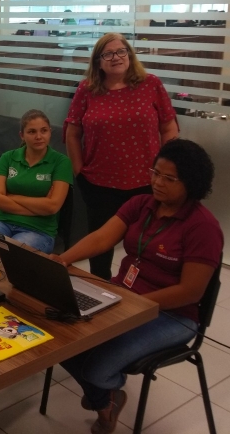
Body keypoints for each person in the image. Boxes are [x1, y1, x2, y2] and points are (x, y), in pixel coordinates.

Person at [51, 139, 223, 434]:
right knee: (56, 339)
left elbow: (191, 291)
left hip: (173, 315)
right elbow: (102, 238)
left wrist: (135, 305)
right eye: (155, 173)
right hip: (122, 298)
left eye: (169, 178)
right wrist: (62, 259)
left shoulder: (203, 227)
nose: (157, 182)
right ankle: (106, 399)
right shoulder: (141, 204)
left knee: (95, 368)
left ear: (191, 183)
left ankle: (104, 397)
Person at [65, 33, 178, 279]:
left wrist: (165, 172)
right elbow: (72, 133)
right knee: (100, 248)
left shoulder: (150, 84)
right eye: (107, 54)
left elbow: (169, 127)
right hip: (98, 185)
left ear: (129, 54)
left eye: (121, 51)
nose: (115, 57)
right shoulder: (87, 89)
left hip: (146, 184)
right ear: (98, 61)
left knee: (145, 246)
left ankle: (140, 290)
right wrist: (78, 171)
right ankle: (100, 287)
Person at [0, 110, 73, 254]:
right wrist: (40, 206)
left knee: (10, 255)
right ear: (22, 135)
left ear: (50, 132)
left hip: (39, 230)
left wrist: (12, 197)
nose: (39, 136)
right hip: (2, 221)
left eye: (44, 131)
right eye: (32, 132)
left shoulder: (61, 162)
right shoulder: (8, 157)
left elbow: (52, 207)